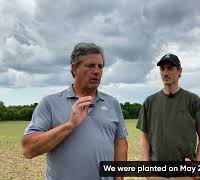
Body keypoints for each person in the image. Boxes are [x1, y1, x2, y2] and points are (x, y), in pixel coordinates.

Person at [21, 42, 128, 180]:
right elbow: (28, 150)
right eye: (90, 66)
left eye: (100, 66)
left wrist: (118, 178)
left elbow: (120, 143)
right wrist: (70, 124)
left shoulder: (113, 103)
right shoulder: (49, 103)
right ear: (74, 69)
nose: (97, 71)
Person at [136, 53, 200, 179]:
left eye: (170, 68)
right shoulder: (150, 102)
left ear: (179, 71)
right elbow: (144, 136)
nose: (165, 73)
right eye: (162, 69)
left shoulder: (193, 100)